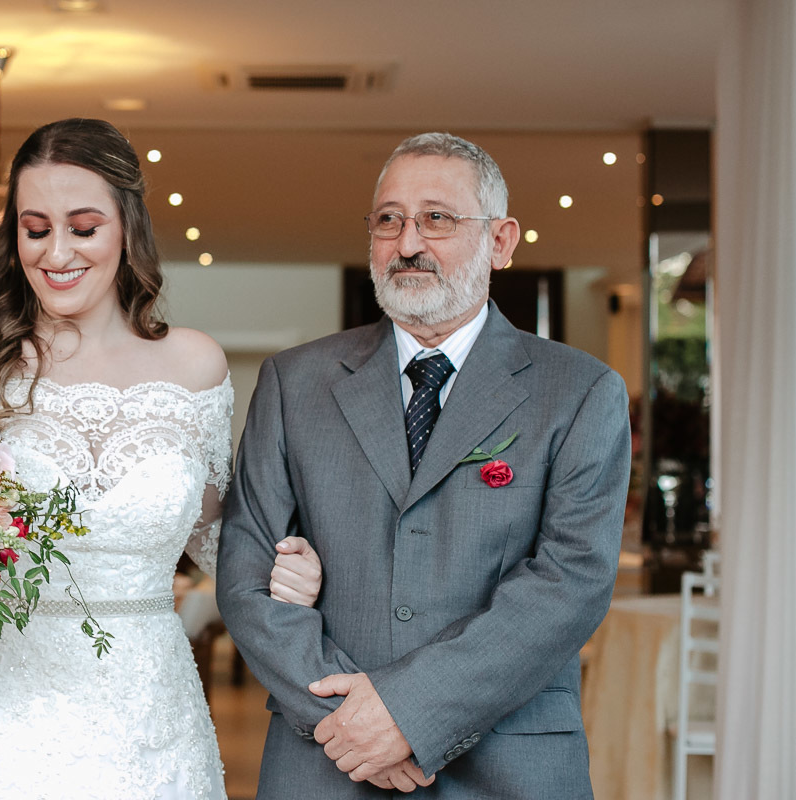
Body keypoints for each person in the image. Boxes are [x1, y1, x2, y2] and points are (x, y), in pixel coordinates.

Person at [0, 118, 320, 800]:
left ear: (127, 229)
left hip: (144, 722)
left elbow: (217, 538)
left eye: (83, 227)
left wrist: (285, 566)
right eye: (36, 228)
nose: (56, 252)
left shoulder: (195, 366)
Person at [216, 132, 631, 797]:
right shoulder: (295, 383)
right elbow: (245, 573)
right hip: (326, 762)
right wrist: (351, 725)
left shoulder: (580, 393)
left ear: (501, 241)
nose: (407, 242)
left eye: (436, 218)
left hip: (506, 768)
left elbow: (570, 584)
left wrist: (406, 714)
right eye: (388, 220)